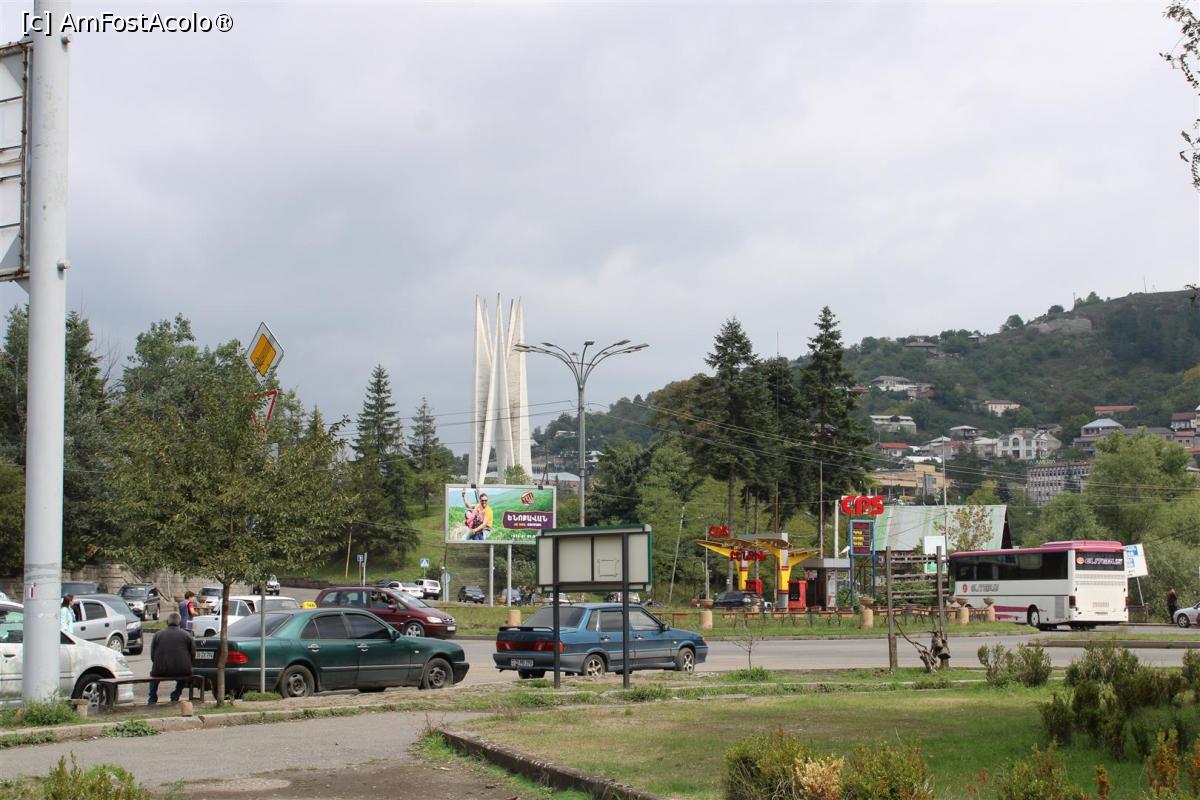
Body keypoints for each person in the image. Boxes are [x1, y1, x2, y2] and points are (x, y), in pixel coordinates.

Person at [148, 611, 195, 705]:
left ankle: (152, 698)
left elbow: (152, 655)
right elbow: (193, 654)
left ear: (167, 622)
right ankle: (176, 695)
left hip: (160, 670)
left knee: (153, 676)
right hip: (182, 670)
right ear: (180, 623)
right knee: (186, 675)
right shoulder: (187, 635)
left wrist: (158, 663)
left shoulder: (158, 635)